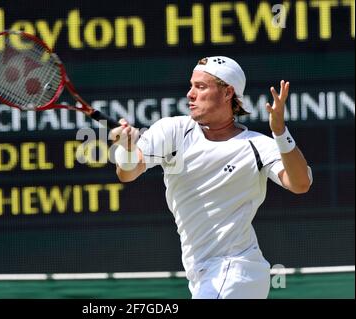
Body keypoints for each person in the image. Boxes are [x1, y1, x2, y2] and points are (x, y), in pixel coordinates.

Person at [110, 56, 313, 299]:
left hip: (237, 269)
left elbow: (300, 184)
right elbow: (128, 172)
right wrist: (127, 148)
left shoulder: (258, 146)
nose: (190, 94)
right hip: (202, 274)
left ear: (228, 93)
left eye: (201, 87)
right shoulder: (173, 131)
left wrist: (280, 133)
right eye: (191, 85)